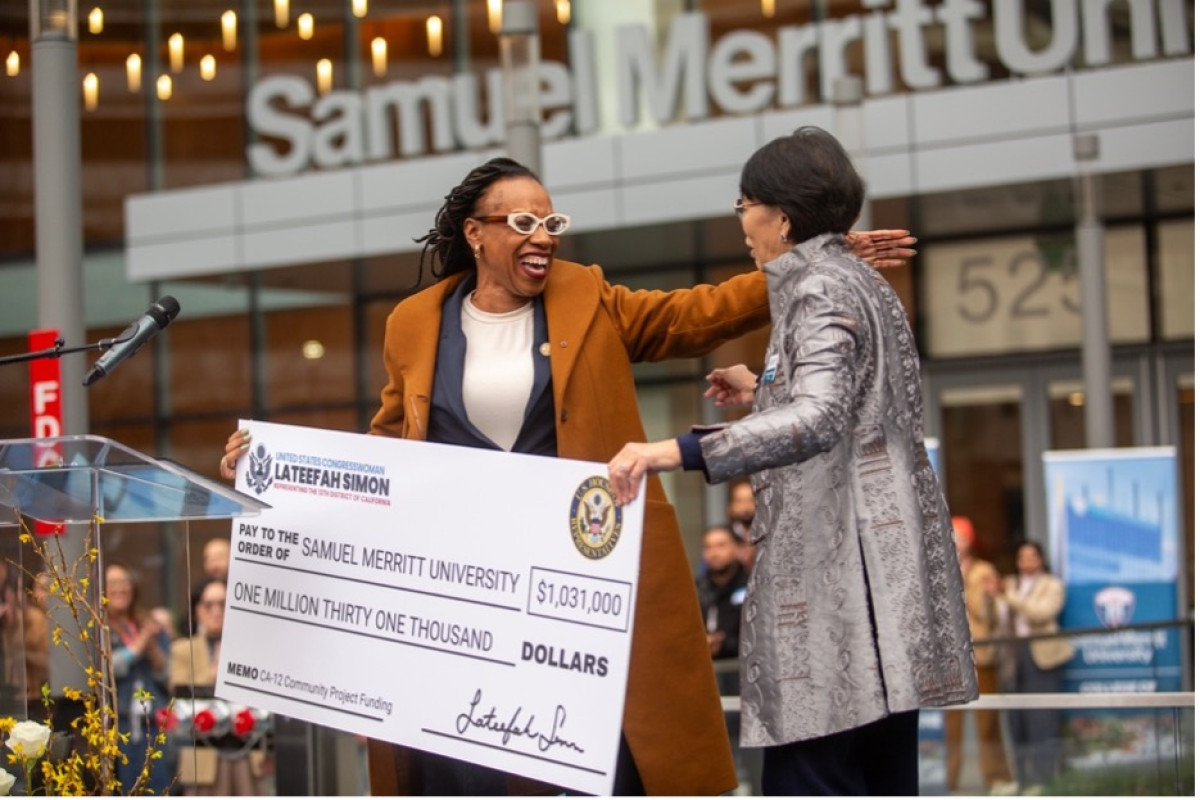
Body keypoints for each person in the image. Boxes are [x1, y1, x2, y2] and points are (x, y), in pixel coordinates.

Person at [220, 156, 916, 796]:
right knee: (468, 770)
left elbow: (693, 312)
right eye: (522, 223)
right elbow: (386, 449)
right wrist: (279, 473)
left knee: (600, 761)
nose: (542, 237)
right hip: (465, 601)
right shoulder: (413, 324)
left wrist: (807, 263)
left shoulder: (586, 296)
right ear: (475, 233)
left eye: (552, 223)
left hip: (577, 592)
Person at [606, 127, 977, 795]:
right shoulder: (856, 278)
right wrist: (765, 388)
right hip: (880, 596)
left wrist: (678, 449)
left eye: (744, 204)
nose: (742, 221)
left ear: (781, 215)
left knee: (815, 779)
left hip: (837, 595)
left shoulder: (816, 290)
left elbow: (821, 416)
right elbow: (855, 403)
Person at [170, 578, 266, 795]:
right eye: (209, 605)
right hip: (203, 756)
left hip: (246, 753)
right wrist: (215, 672)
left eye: (223, 604)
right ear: (197, 610)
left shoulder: (250, 647)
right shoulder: (183, 649)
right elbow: (179, 697)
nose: (216, 611)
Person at [994, 540, 1073, 795]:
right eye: (1022, 557)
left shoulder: (1052, 585)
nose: (1026, 562)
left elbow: (1041, 614)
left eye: (1032, 557)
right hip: (1012, 656)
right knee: (1016, 721)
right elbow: (996, 618)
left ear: (1041, 559)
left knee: (1042, 719)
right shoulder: (1010, 586)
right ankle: (1022, 779)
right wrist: (991, 597)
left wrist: (1010, 597)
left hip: (1041, 656)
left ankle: (1042, 780)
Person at [944, 517, 1015, 795]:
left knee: (987, 721)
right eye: (952, 537)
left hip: (981, 653)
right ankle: (952, 784)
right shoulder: (938, 567)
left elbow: (988, 616)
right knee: (953, 726)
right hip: (951, 657)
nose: (956, 543)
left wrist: (966, 585)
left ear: (969, 542)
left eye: (960, 538)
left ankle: (996, 779)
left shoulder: (984, 570)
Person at [105, 562, 172, 795]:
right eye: (112, 583)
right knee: (127, 787)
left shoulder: (146, 622)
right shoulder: (99, 627)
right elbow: (110, 668)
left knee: (158, 785)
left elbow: (165, 674)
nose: (120, 589)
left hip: (152, 722)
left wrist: (153, 647)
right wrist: (140, 644)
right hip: (119, 724)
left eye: (124, 582)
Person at [696, 525, 748, 664]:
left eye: (721, 545)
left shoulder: (753, 586)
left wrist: (724, 644)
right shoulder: (696, 589)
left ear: (737, 548)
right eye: (708, 547)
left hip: (744, 669)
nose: (714, 553)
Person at [726, 478, 757, 571]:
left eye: (751, 500)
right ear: (730, 507)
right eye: (739, 501)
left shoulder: (771, 534)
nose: (746, 506)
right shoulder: (724, 537)